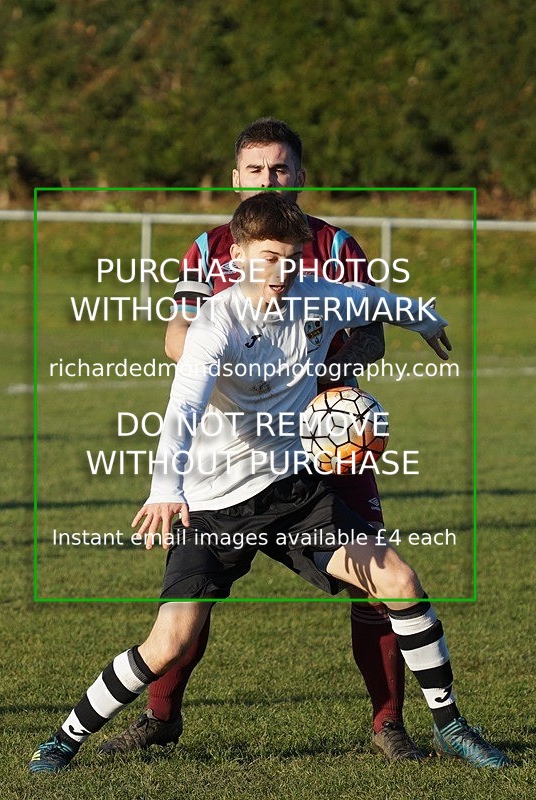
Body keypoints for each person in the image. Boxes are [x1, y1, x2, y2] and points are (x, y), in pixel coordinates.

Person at [29, 193, 508, 773]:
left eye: (290, 259)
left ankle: (451, 727)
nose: (279, 272)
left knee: (399, 579)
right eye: (267, 258)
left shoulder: (314, 297)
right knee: (170, 643)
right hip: (213, 505)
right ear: (240, 257)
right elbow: (182, 410)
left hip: (294, 493)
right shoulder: (216, 323)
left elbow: (373, 300)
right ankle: (65, 738)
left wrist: (424, 319)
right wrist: (164, 488)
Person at [99, 118, 418, 762]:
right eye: (255, 170)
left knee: (377, 580)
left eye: (280, 169)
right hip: (232, 446)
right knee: (192, 594)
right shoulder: (210, 247)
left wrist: (326, 386)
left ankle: (389, 724)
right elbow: (175, 337)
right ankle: (161, 717)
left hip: (331, 439)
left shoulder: (337, 246)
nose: (267, 180)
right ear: (235, 178)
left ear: (300, 175)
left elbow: (375, 332)